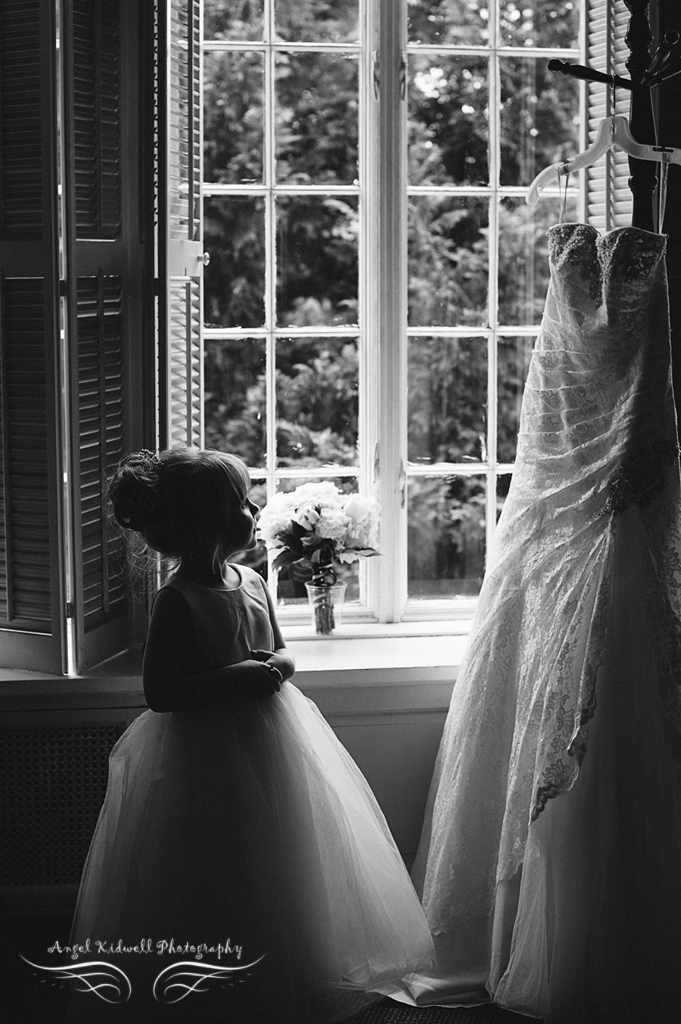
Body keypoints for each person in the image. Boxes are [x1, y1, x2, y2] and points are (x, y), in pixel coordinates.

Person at [396, 223, 681, 1023]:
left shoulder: (599, 252)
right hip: (567, 514)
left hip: (610, 519)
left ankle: (596, 931)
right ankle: (565, 932)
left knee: (615, 721)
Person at [67, 447, 434, 1023]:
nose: (254, 508)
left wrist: (276, 670)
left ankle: (281, 972)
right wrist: (244, 674)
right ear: (208, 521)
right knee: (212, 862)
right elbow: (161, 692)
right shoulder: (177, 599)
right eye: (241, 501)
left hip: (273, 738)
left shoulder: (254, 581)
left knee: (282, 856)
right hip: (204, 751)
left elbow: (281, 653)